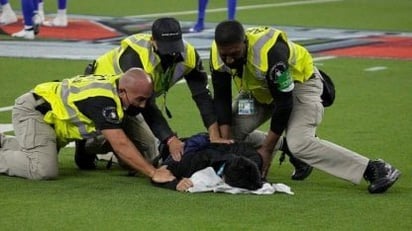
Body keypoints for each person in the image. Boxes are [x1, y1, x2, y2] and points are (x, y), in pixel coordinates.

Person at [209, 20, 401, 194]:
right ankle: (285, 146)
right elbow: (222, 99)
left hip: (299, 86)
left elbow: (284, 104)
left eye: (234, 54)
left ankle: (373, 168)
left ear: (245, 42)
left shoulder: (271, 52)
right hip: (257, 93)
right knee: (225, 135)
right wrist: (226, 148)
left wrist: (266, 150)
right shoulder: (218, 53)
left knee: (300, 142)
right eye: (224, 55)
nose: (230, 61)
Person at [75, 17, 233, 170]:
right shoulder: (135, 56)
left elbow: (202, 96)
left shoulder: (189, 55)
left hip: (134, 101)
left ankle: (120, 148)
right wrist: (170, 139)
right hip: (101, 95)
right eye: (166, 48)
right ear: (153, 41)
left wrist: (214, 135)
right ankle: (86, 141)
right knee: (144, 147)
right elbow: (147, 107)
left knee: (148, 156)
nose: (172, 54)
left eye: (174, 47)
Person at [0, 68, 175, 183]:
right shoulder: (102, 101)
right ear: (122, 91)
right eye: (140, 100)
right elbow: (120, 144)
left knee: (38, 152)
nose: (143, 106)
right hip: (36, 114)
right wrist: (153, 173)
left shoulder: (120, 88)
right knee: (42, 169)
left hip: (52, 120)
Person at [152, 133, 263, 192]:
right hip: (184, 147)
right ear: (224, 178)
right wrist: (175, 184)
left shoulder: (254, 159)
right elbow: (159, 174)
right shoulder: (187, 163)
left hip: (211, 143)